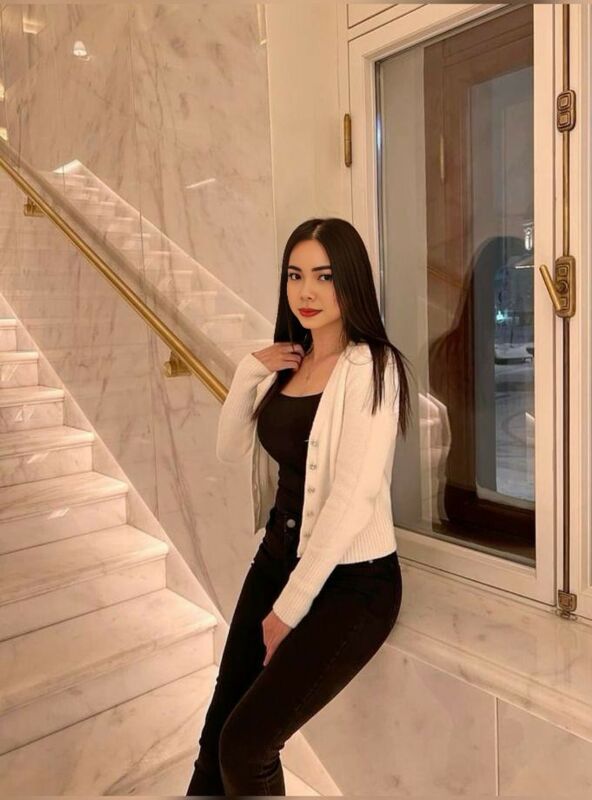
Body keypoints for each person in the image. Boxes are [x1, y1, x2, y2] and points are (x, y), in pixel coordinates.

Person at [186, 217, 413, 796]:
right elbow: (230, 449)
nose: (306, 291)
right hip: (275, 559)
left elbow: (353, 497)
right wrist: (248, 372)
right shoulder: (290, 362)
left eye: (323, 276)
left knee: (247, 746)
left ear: (351, 282)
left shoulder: (372, 367)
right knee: (216, 737)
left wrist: (289, 608)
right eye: (295, 275)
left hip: (354, 584)